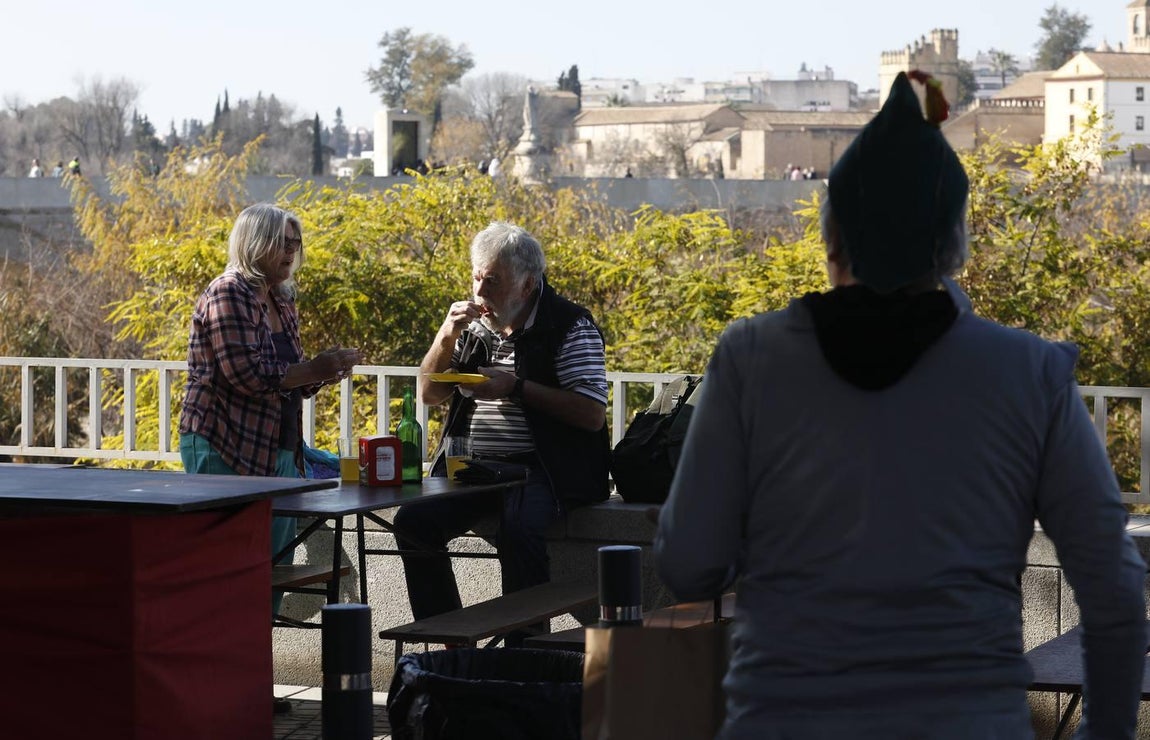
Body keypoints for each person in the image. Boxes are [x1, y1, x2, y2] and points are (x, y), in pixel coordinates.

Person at [655, 71, 1147, 739]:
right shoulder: (1027, 372)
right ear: (952, 249)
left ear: (831, 239)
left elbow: (689, 564)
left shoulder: (750, 359)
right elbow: (1114, 592)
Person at [394, 221, 610, 626]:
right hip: (474, 468)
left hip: (541, 470)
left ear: (527, 285)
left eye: (492, 281)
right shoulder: (475, 327)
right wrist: (446, 334)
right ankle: (446, 636)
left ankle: (524, 656)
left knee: (519, 532)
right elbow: (429, 394)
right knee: (413, 522)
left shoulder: (568, 326)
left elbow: (591, 412)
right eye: (476, 277)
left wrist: (516, 388)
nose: (479, 293)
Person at [178, 203, 362, 620]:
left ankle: (253, 662)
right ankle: (219, 667)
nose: (292, 251)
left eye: (296, 242)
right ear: (254, 243)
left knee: (273, 563)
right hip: (223, 441)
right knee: (228, 565)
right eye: (283, 242)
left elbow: (289, 375)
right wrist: (310, 369)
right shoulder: (228, 292)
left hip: (276, 448)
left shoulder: (281, 298)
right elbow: (245, 374)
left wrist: (325, 369)